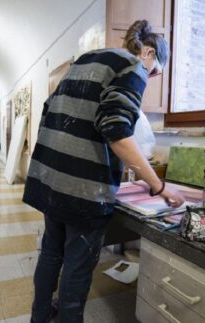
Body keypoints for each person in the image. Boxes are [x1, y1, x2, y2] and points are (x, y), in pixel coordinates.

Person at [22, 20, 185, 323]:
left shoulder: (86, 60)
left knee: (51, 253)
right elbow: (117, 132)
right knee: (77, 264)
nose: (151, 77)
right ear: (148, 53)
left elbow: (49, 109)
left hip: (50, 178)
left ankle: (40, 317)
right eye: (156, 71)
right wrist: (158, 186)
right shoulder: (133, 68)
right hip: (82, 191)